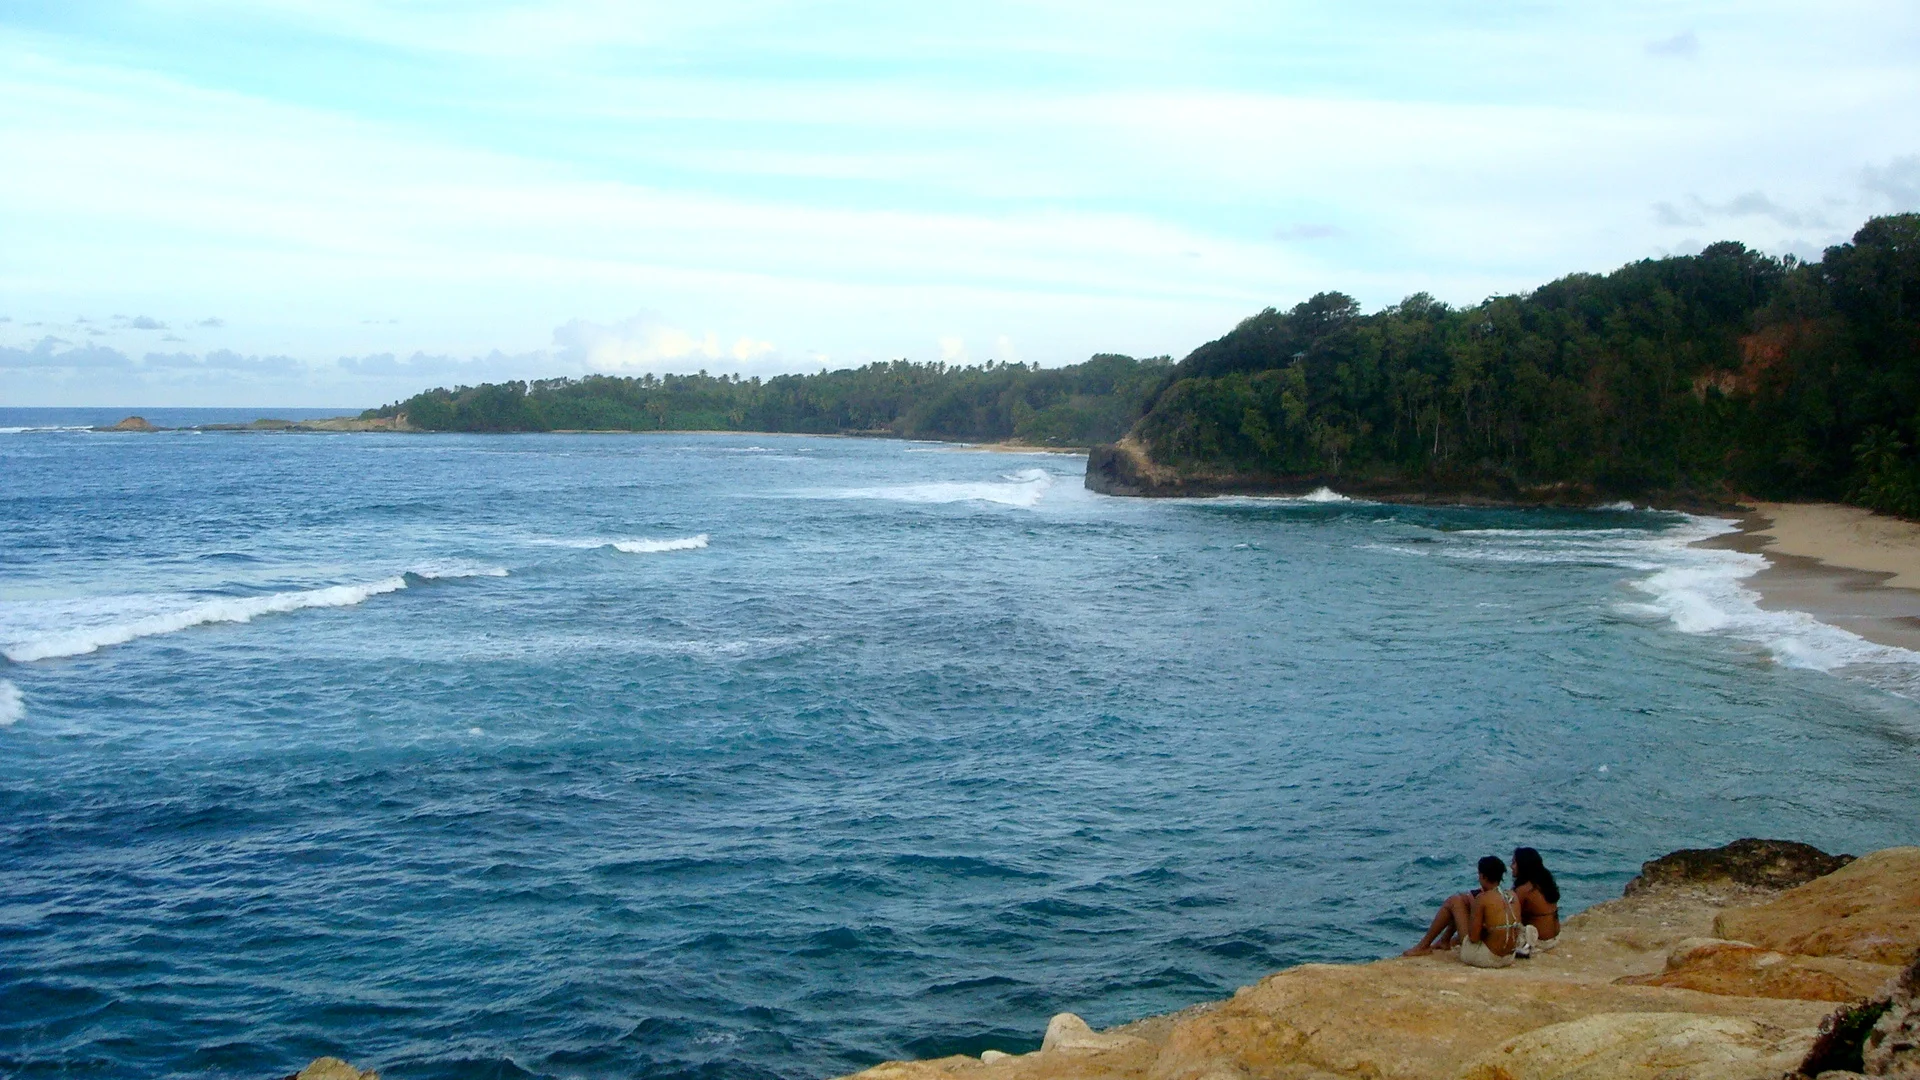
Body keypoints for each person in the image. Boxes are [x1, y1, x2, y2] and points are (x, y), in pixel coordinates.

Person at [1402, 855, 1523, 968]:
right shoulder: (1512, 895)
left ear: (1483, 876)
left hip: (1488, 958)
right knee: (1462, 903)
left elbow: (1474, 938)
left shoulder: (1482, 899)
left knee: (1454, 901)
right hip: (1508, 957)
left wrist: (1474, 908)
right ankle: (1444, 941)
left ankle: (1423, 946)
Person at [1511, 846, 1560, 953]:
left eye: (1514, 863)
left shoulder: (1524, 890)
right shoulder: (1545, 883)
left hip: (1539, 942)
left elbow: (1512, 917)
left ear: (1523, 865)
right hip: (1554, 938)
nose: (1511, 866)